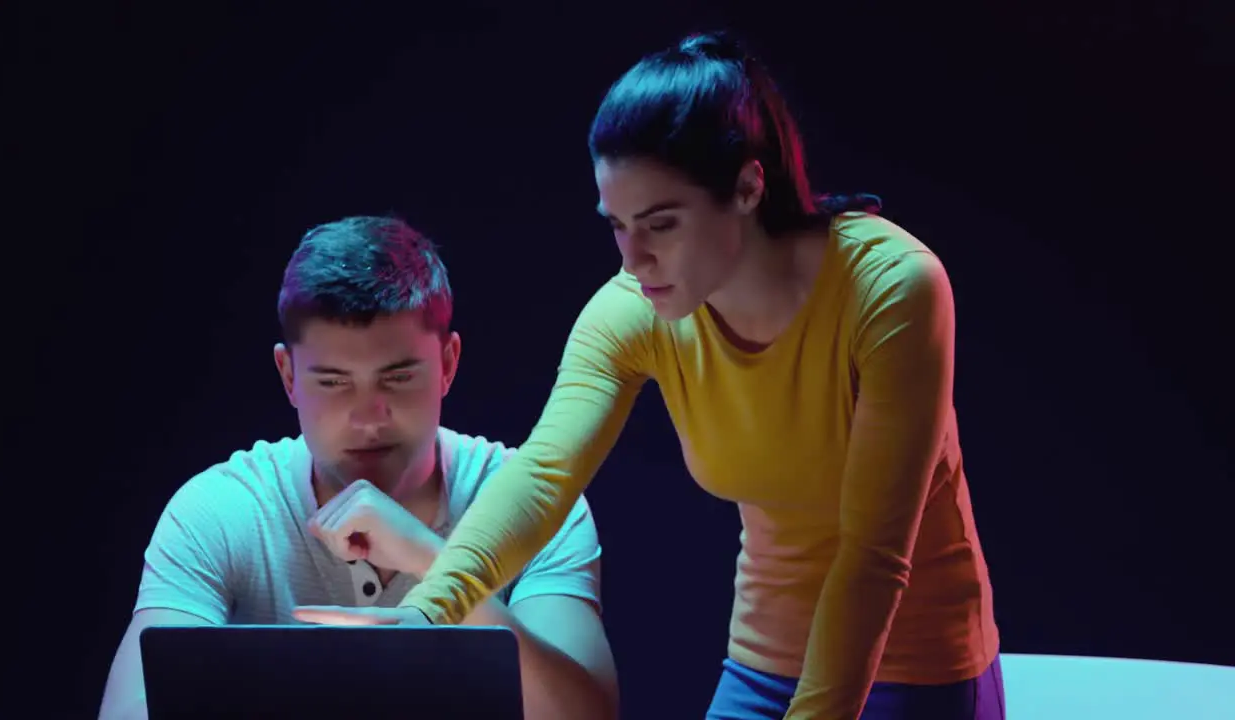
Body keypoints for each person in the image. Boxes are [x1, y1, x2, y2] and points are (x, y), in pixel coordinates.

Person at [340, 31, 1008, 720]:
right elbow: (542, 476)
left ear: (749, 186)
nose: (634, 259)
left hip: (920, 666)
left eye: (661, 224)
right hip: (764, 662)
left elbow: (871, 553)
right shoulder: (634, 310)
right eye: (618, 226)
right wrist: (423, 618)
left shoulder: (892, 289)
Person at [96, 216, 619, 720]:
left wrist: (434, 562)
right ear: (288, 375)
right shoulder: (218, 511)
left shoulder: (539, 507)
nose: (369, 417)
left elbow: (586, 715)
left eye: (396, 378)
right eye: (333, 382)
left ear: (448, 364)